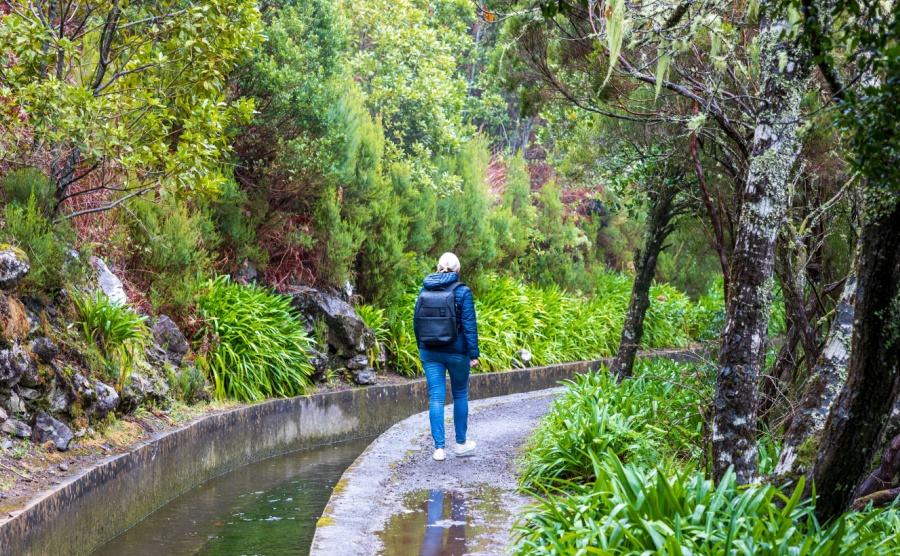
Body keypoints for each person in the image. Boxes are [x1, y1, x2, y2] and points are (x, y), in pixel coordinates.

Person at [414, 252, 480, 461]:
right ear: (457, 269)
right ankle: (460, 443)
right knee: (460, 394)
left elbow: (417, 321)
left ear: (438, 266)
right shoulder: (463, 292)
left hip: (430, 352)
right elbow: (469, 325)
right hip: (457, 352)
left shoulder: (425, 289)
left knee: (436, 397)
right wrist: (474, 354)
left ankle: (439, 449)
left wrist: (422, 347)